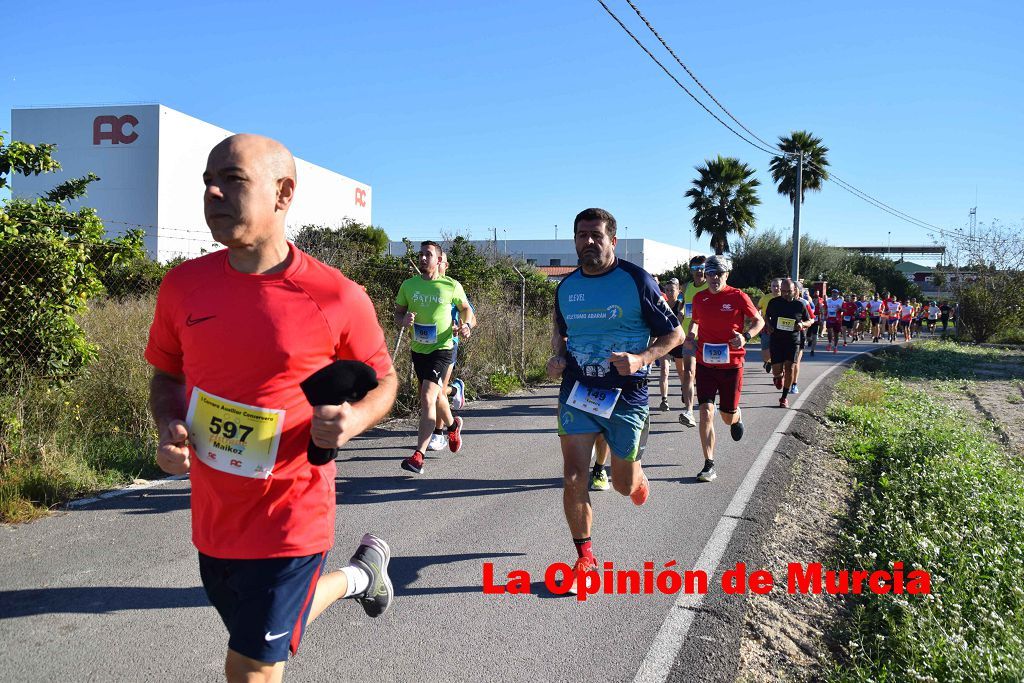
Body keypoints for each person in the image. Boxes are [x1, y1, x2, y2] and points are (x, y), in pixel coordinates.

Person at [146, 134, 398, 683]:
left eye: (232, 179)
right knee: (262, 628)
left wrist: (354, 419)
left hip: (293, 515)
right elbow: (167, 374)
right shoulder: (184, 287)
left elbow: (384, 382)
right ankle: (362, 576)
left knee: (254, 668)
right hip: (215, 517)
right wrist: (168, 422)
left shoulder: (336, 296)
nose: (212, 191)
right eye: (208, 181)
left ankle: (355, 574)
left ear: (283, 193)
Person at [547, 208, 682, 590]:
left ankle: (636, 480)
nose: (587, 242)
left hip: (627, 396)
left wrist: (641, 359)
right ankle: (584, 558)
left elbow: (676, 335)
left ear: (612, 240)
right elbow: (561, 332)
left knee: (623, 485)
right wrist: (556, 356)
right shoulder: (567, 286)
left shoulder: (636, 280)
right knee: (574, 476)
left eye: (595, 235)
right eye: (581, 235)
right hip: (578, 391)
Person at [396, 241, 476, 474]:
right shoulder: (408, 285)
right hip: (418, 349)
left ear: (439, 260)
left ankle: (418, 456)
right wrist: (404, 321)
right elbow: (398, 314)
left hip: (442, 349)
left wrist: (466, 325)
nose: (422, 258)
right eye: (420, 254)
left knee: (428, 397)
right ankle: (452, 425)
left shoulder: (450, 285)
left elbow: (466, 309)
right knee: (435, 396)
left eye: (427, 255)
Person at [684, 255, 764, 483]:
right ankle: (709, 464)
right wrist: (691, 334)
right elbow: (696, 321)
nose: (714, 278)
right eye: (710, 273)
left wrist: (746, 336)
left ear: (727, 274)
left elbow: (759, 321)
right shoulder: (700, 298)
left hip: (732, 365)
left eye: (718, 273)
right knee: (706, 411)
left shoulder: (738, 296)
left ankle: (736, 417)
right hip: (706, 363)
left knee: (727, 415)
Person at [426, 252, 472, 452]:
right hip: (425, 345)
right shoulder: (424, 286)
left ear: (445, 264)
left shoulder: (453, 287)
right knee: (430, 392)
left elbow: (469, 314)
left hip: (448, 344)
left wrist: (465, 327)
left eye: (440, 261)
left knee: (435, 392)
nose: (436, 265)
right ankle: (456, 390)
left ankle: (439, 433)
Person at [765, 279, 814, 408]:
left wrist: (802, 324)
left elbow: (810, 321)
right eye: (784, 291)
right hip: (776, 340)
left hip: (793, 341)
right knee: (777, 371)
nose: (786, 294)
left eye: (789, 291)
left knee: (790, 368)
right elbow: (766, 316)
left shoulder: (799, 305)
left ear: (794, 291)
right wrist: (769, 326)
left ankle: (784, 398)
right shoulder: (774, 303)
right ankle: (777, 377)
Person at [677, 256, 708, 428]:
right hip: (689, 336)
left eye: (701, 267)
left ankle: (710, 401)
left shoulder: (711, 285)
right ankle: (689, 411)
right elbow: (683, 305)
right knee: (689, 372)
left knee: (706, 374)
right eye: (695, 268)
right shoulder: (687, 286)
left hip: (707, 337)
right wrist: (680, 313)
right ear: (691, 269)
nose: (698, 271)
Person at [657, 277, 686, 412]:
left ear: (678, 291)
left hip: (678, 342)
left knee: (681, 371)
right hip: (665, 341)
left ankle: (684, 390)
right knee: (664, 370)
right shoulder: (662, 305)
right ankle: (664, 400)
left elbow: (679, 320)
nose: (669, 293)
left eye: (672, 290)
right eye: (667, 290)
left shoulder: (681, 305)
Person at [758, 278, 782, 372]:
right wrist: (759, 319)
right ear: (771, 287)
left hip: (780, 325)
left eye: (778, 286)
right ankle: (767, 361)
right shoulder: (765, 298)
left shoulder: (784, 298)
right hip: (766, 324)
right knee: (765, 345)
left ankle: (777, 365)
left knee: (779, 346)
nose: (776, 288)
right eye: (774, 286)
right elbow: (758, 309)